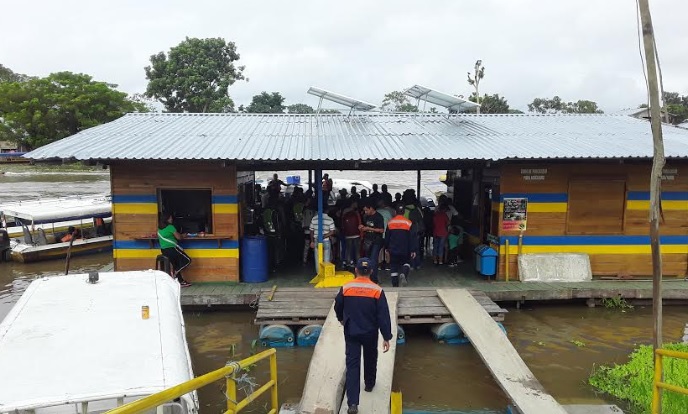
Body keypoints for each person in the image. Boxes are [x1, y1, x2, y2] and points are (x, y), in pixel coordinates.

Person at [334, 258, 392, 414]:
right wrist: (386, 336)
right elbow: (383, 316)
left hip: (351, 331)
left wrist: (341, 318)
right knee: (370, 357)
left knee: (352, 365)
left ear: (356, 271)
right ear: (371, 272)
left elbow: (338, 305)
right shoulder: (377, 291)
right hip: (370, 332)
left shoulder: (346, 288)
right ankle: (369, 384)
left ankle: (353, 404)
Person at [385, 204, 417, 287]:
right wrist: (413, 250)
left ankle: (395, 286)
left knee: (393, 266)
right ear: (404, 212)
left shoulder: (390, 223)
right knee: (407, 262)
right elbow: (412, 238)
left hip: (393, 249)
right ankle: (403, 273)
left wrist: (386, 248)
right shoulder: (409, 223)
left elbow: (387, 237)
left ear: (395, 212)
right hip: (405, 249)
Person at [157, 213, 192, 287]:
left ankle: (180, 281)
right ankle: (175, 273)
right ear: (166, 219)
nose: (171, 219)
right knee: (187, 260)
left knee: (176, 265)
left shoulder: (159, 228)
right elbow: (179, 237)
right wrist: (184, 235)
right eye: (170, 218)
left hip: (164, 250)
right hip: (172, 249)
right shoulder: (170, 227)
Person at [359, 202, 385, 284]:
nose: (365, 212)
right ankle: (367, 277)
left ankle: (374, 279)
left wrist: (369, 228)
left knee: (373, 259)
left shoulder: (379, 217)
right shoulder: (366, 216)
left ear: (371, 208)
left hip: (376, 241)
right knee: (367, 259)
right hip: (367, 240)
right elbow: (364, 226)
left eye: (366, 210)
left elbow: (381, 230)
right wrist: (362, 227)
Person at [309, 209, 336, 274]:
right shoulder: (330, 219)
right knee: (327, 259)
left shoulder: (314, 219)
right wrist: (324, 236)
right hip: (326, 240)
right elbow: (332, 231)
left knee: (317, 259)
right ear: (327, 211)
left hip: (316, 240)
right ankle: (326, 274)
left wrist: (312, 241)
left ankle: (319, 274)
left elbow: (311, 231)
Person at [340, 200, 362, 268]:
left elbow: (342, 224)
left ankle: (349, 263)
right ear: (353, 203)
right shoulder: (356, 213)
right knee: (357, 251)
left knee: (348, 250)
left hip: (348, 235)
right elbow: (360, 223)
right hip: (356, 234)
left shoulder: (345, 212)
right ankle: (358, 265)